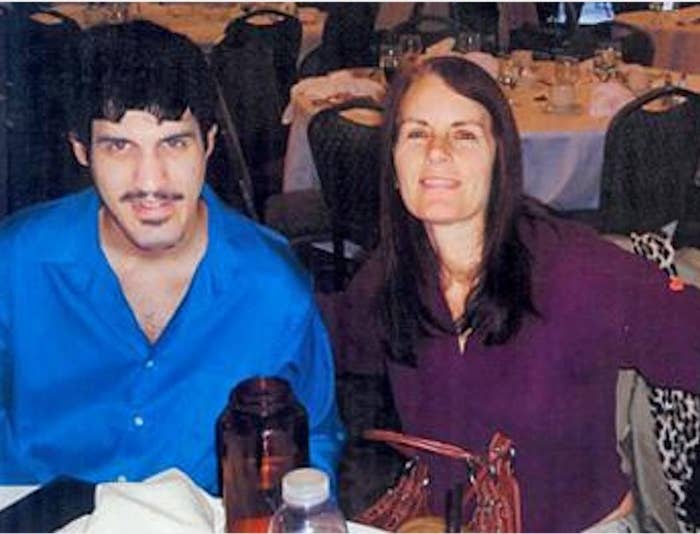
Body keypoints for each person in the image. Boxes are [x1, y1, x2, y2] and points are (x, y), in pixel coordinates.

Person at [320, 56, 700, 532]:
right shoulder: (392, 275)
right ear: (394, 162)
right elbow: (327, 338)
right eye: (417, 133)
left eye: (464, 134)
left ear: (501, 158)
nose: (436, 151)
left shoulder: (573, 269)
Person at [0, 21, 344, 495]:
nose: (150, 180)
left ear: (209, 143)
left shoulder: (272, 287)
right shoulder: (16, 263)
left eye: (174, 143)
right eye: (119, 146)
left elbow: (316, 442)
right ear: (82, 150)